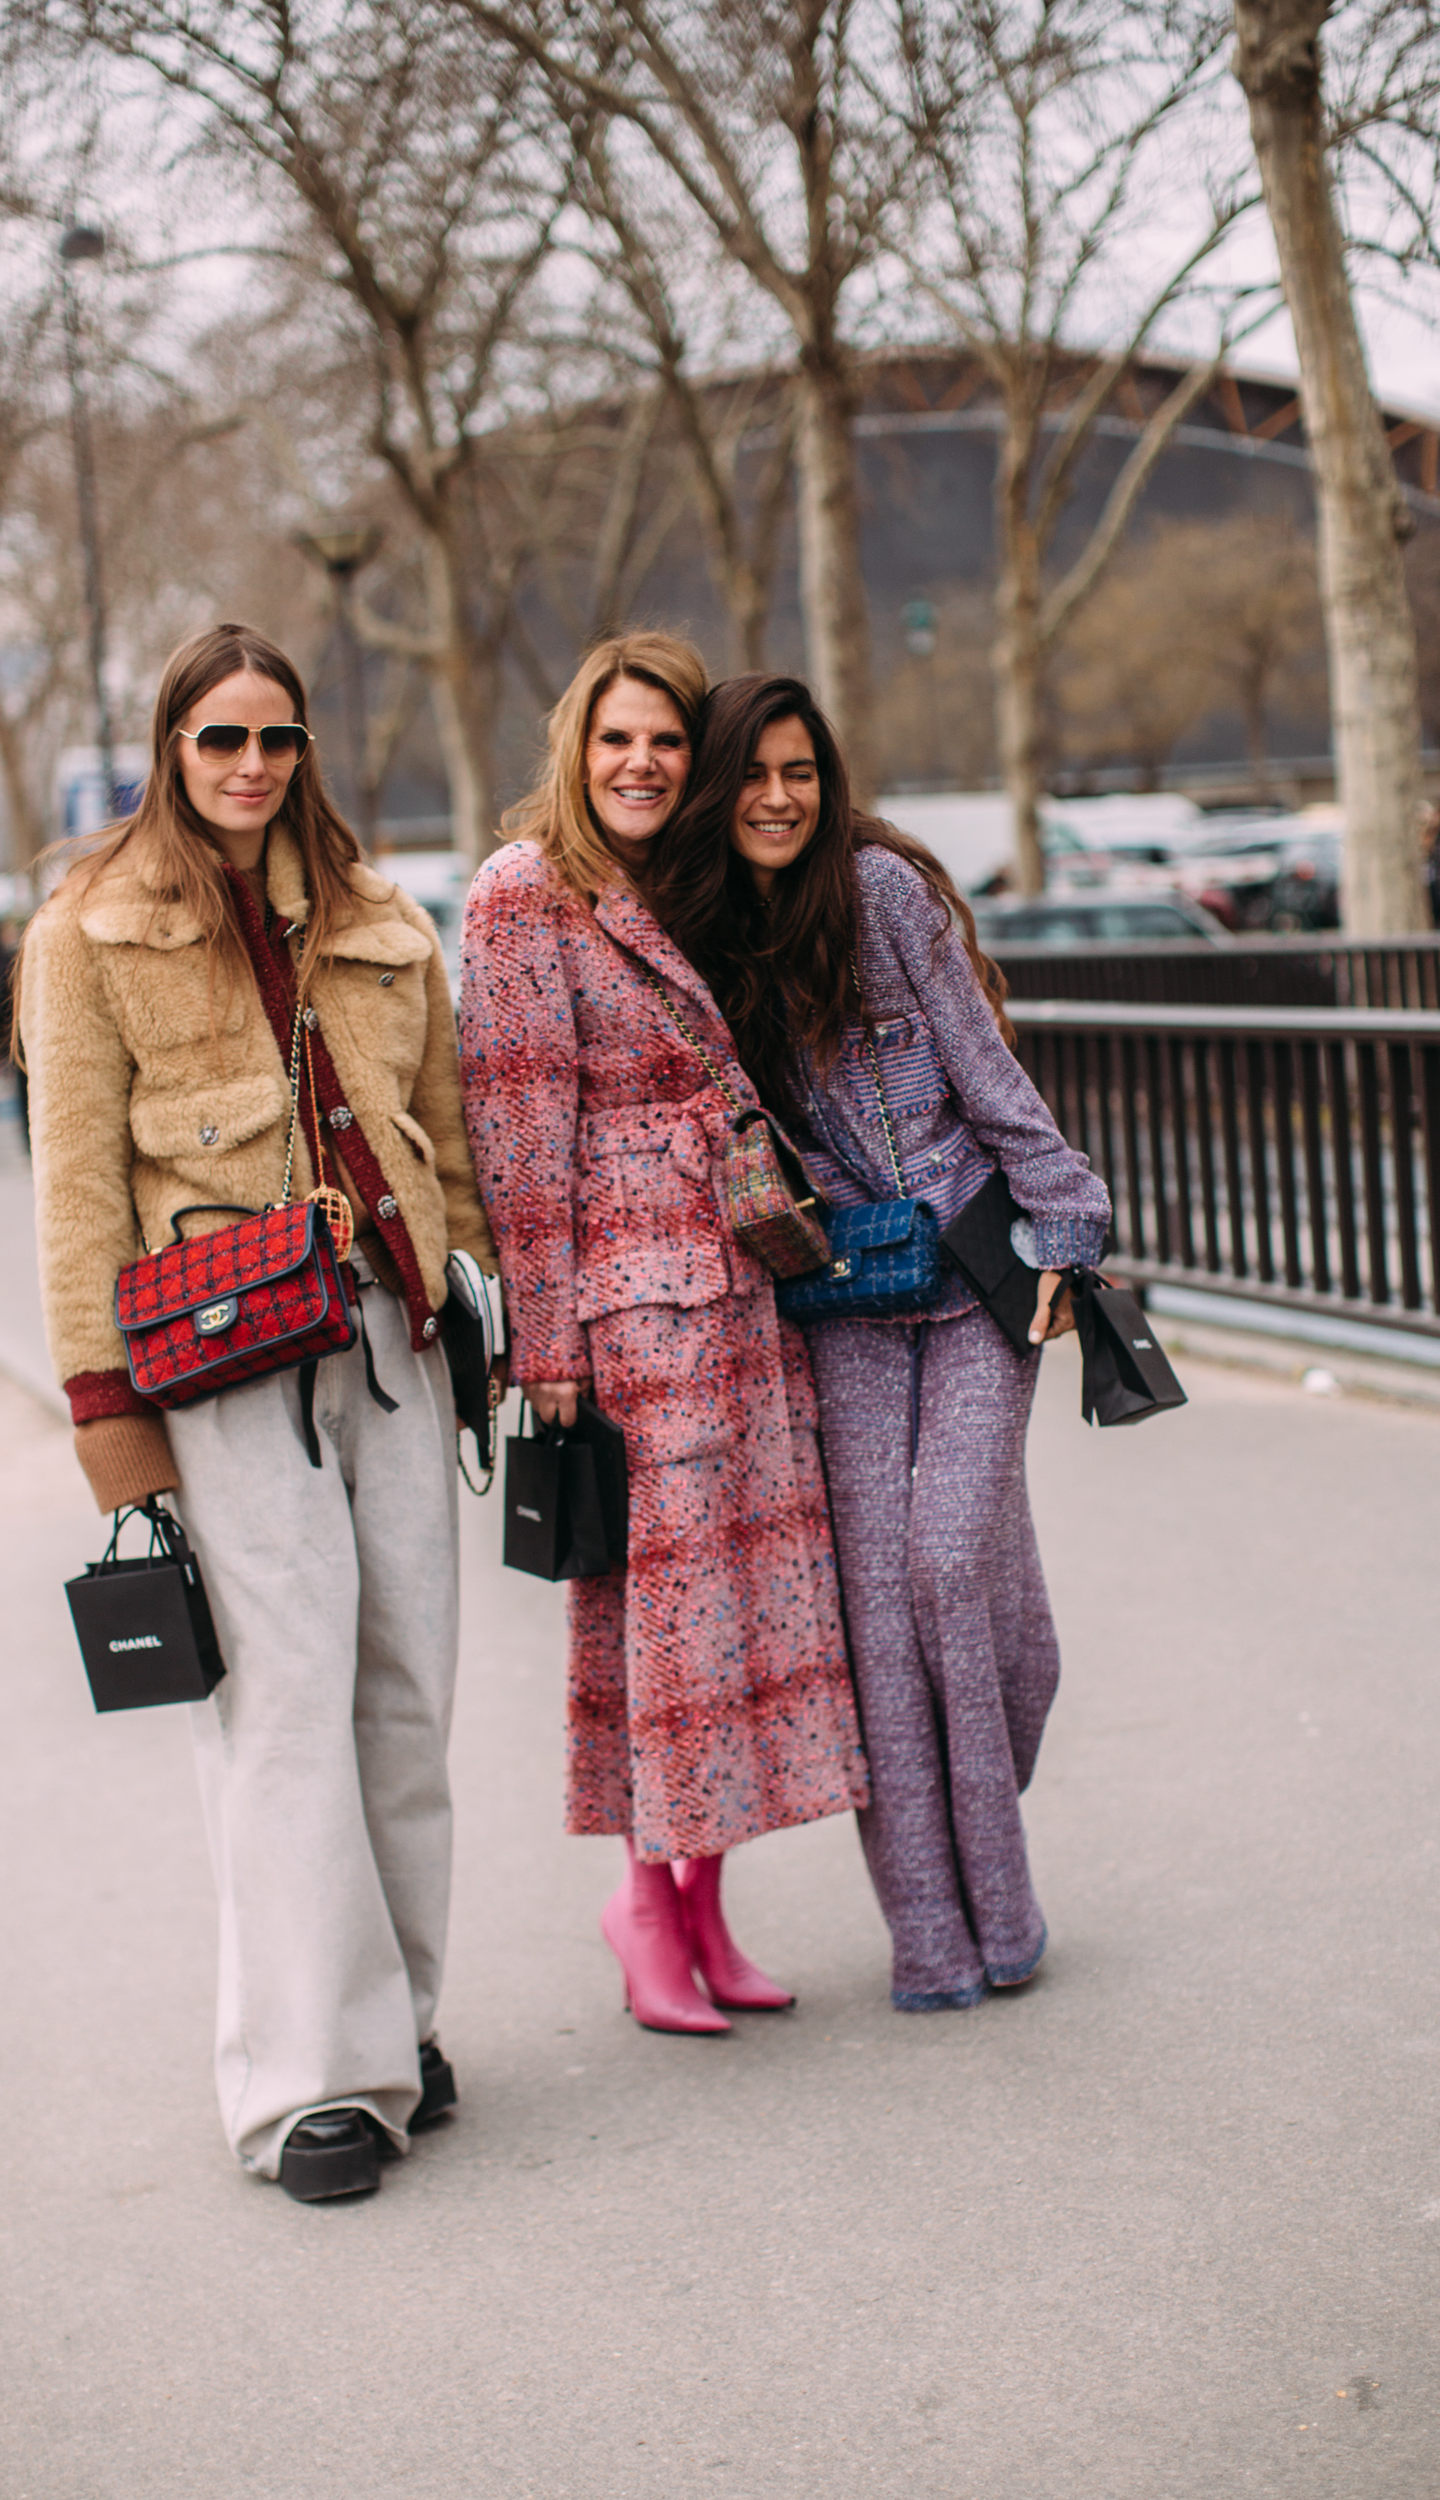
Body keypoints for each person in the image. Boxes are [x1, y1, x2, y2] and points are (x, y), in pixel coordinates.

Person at [17, 622, 496, 2202]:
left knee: (403, 1696)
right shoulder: (85, 932)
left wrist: (474, 1298)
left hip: (389, 1347)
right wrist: (112, 1439)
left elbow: (444, 1141)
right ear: (170, 747)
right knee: (283, 1712)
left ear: (304, 750)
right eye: (219, 738)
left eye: (275, 738)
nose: (248, 766)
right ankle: (308, 2086)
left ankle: (399, 2030)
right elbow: (78, 1192)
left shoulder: (376, 913)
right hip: (222, 1366)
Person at [645, 675, 1112, 2012]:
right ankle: (937, 1934)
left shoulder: (885, 897)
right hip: (837, 1299)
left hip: (972, 1271)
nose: (777, 798)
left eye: (798, 771)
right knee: (875, 1621)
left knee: (944, 1567)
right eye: (750, 776)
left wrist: (1068, 1228)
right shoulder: (703, 941)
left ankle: (997, 1875)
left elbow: (983, 1068)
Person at [457, 633, 867, 2035]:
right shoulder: (524, 892)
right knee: (661, 1632)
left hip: (738, 1295)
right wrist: (548, 1346)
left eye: (664, 743)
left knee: (738, 1618)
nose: (640, 764)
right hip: (628, 1311)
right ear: (574, 746)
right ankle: (641, 1904)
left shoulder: (686, 890)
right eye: (614, 738)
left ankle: (704, 1902)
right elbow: (517, 1129)